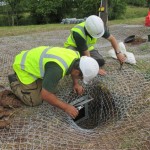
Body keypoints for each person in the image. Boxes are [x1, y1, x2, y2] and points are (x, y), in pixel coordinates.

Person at [8, 46, 99, 119]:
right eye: (80, 78)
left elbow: (75, 69)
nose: (79, 79)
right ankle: (14, 81)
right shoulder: (57, 70)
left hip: (36, 62)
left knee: (52, 88)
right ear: (77, 72)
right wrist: (66, 107)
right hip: (24, 67)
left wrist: (76, 83)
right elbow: (46, 95)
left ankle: (41, 81)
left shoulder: (76, 57)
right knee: (35, 101)